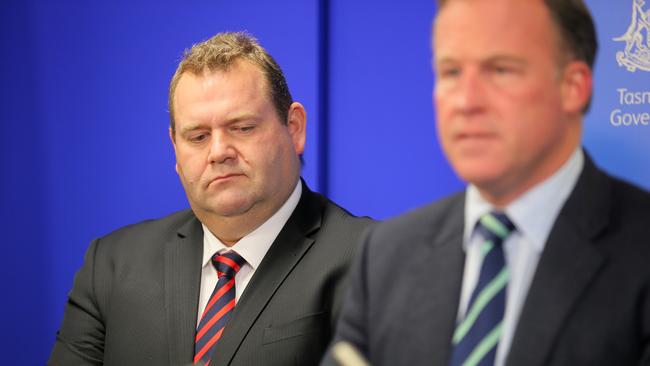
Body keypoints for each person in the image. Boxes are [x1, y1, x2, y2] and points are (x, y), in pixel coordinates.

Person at [325, 0, 650, 365]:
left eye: (500, 70)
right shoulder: (387, 254)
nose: (466, 101)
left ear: (573, 87)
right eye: (450, 72)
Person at [49, 32, 373, 366]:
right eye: (199, 136)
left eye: (242, 127)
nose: (219, 152)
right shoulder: (112, 265)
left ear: (294, 128)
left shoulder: (373, 261)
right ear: (175, 148)